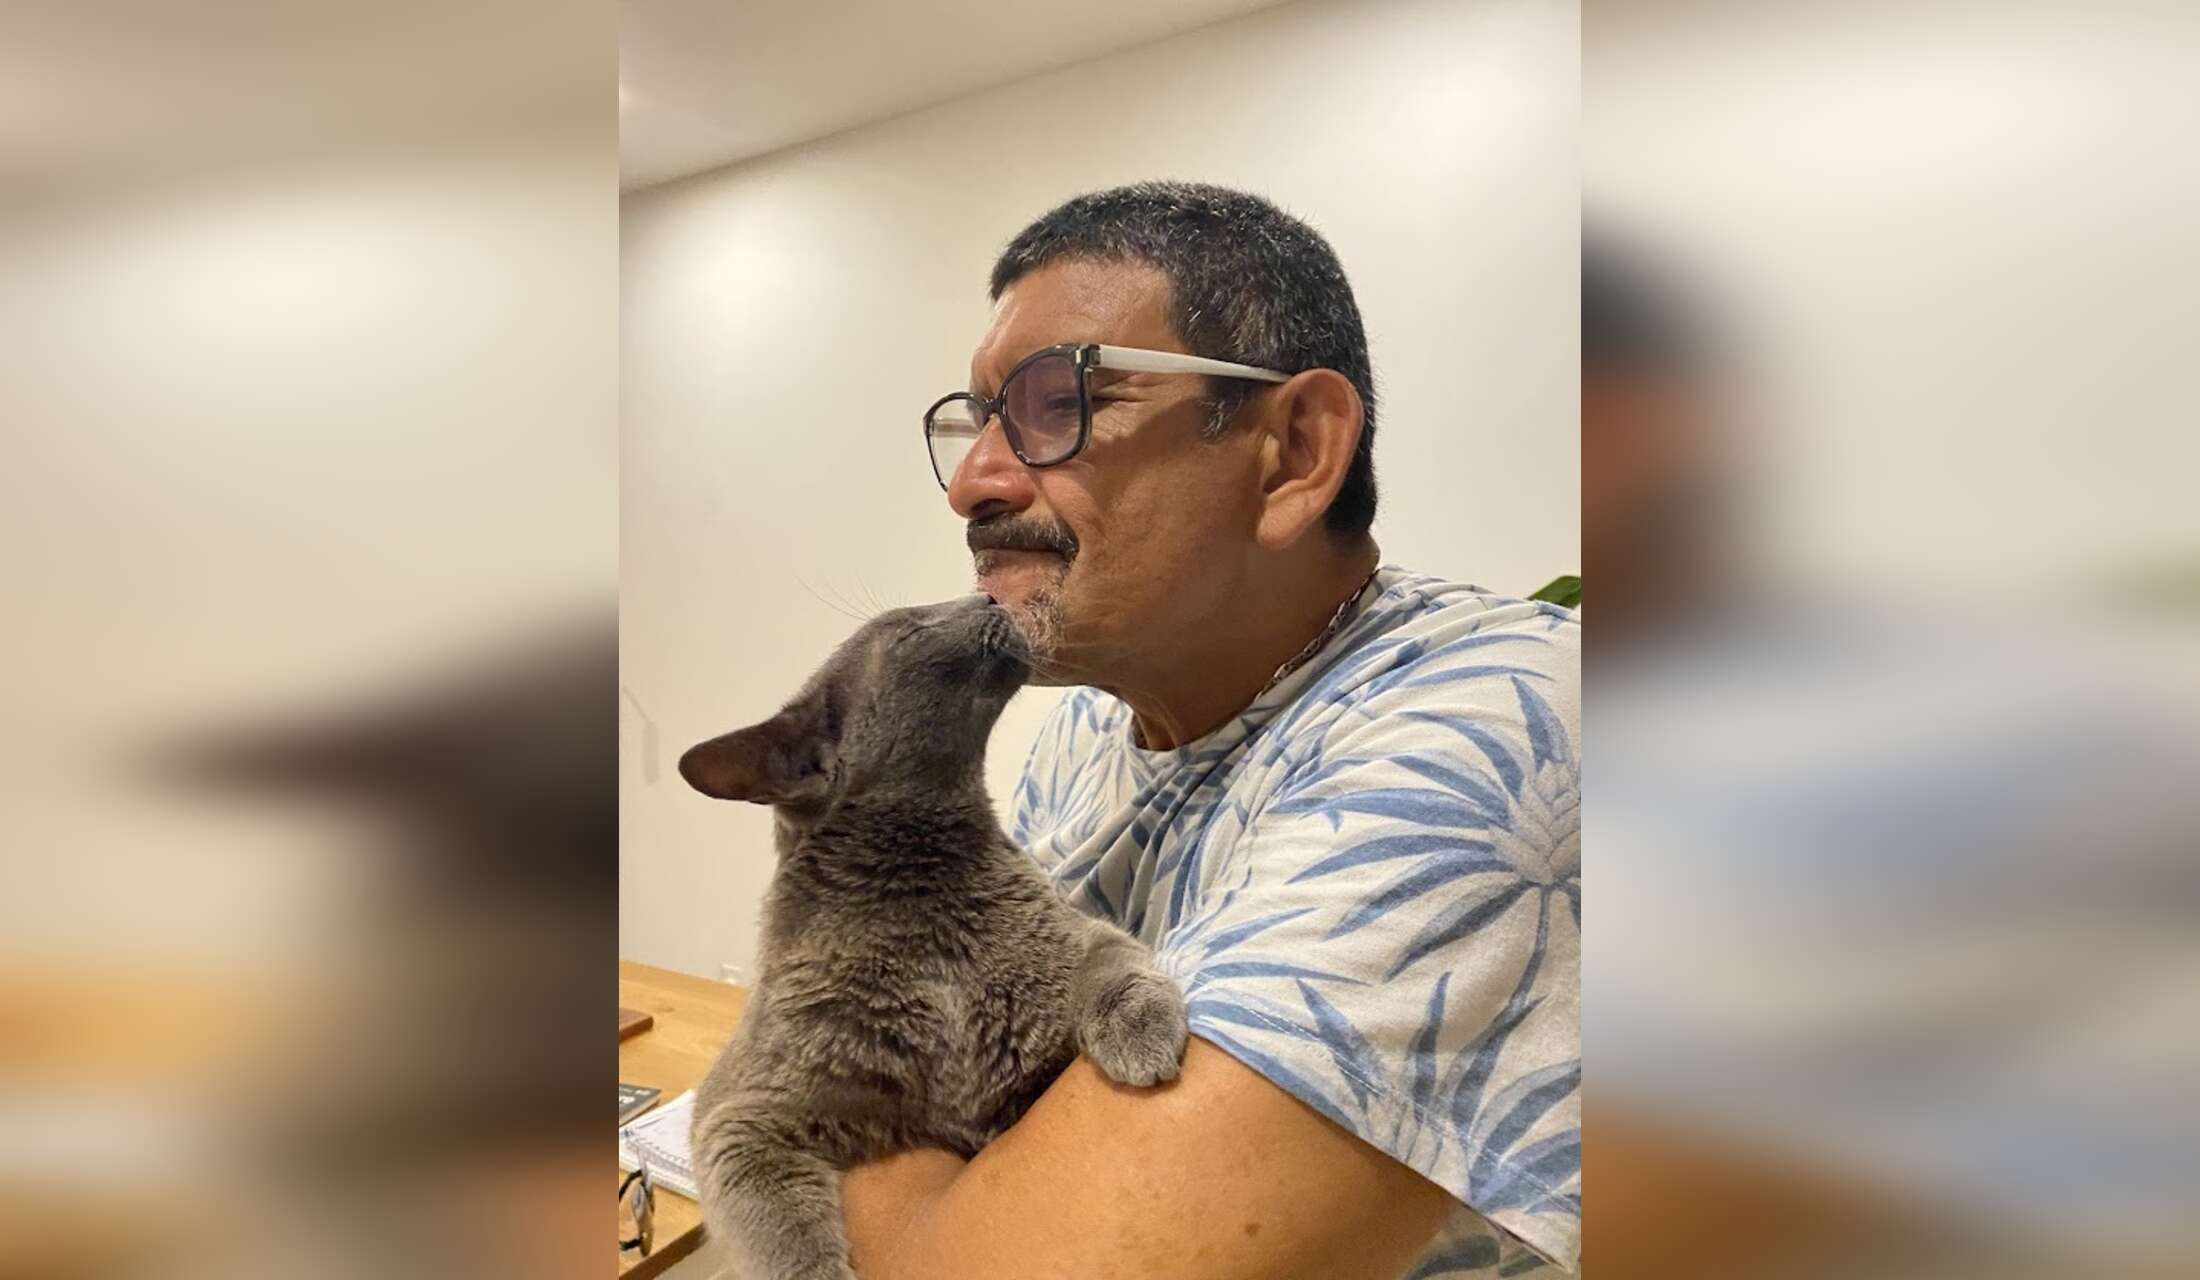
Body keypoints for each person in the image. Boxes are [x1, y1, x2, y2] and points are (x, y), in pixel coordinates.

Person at [841, 182, 1580, 1280]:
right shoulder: (1093, 727)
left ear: (1295, 450)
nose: (973, 484)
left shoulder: (1504, 727)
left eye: (1056, 402)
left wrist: (840, 1074)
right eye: (982, 417)